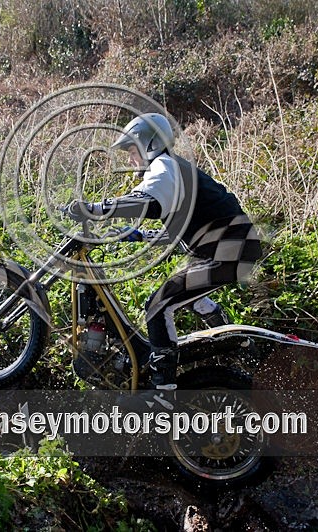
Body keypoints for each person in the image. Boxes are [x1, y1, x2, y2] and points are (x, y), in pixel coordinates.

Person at [67, 113, 262, 410]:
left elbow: (149, 203)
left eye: (132, 150)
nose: (130, 159)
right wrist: (139, 235)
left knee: (159, 304)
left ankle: (163, 393)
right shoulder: (174, 170)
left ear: (150, 144)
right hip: (230, 250)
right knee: (190, 297)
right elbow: (180, 227)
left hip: (228, 252)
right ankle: (233, 344)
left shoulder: (164, 166)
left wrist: (96, 208)